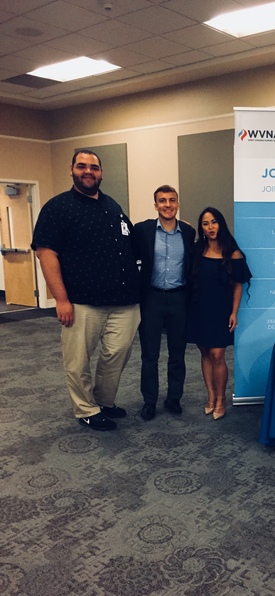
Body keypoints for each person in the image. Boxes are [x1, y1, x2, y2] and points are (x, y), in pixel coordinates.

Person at [31, 149, 141, 431]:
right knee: (78, 361)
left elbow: (132, 241)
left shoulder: (112, 205)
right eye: (82, 166)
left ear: (101, 172)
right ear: (72, 170)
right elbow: (46, 253)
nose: (88, 171)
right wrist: (61, 299)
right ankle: (86, 409)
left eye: (94, 167)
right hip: (81, 302)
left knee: (117, 354)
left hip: (124, 301)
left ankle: (103, 402)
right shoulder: (58, 207)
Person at [133, 185, 195, 421]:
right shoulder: (143, 230)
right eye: (162, 201)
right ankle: (149, 401)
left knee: (177, 354)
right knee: (150, 355)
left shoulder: (188, 232)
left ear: (177, 204)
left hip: (179, 299)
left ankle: (174, 398)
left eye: (171, 200)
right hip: (152, 299)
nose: (167, 205)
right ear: (155, 205)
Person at [187, 207, 252, 420]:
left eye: (214, 222)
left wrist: (234, 312)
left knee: (217, 354)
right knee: (205, 352)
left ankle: (221, 399)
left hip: (221, 310)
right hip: (198, 308)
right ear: (201, 228)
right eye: (205, 223)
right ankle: (211, 397)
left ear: (221, 224)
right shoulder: (197, 249)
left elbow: (238, 285)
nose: (210, 227)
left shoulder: (232, 253)